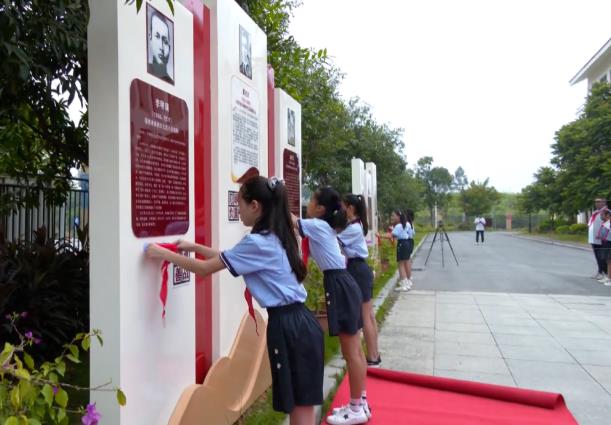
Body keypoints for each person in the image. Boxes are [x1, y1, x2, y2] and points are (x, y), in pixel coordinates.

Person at [145, 176, 323, 425]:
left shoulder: (257, 242)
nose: (237, 210)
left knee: (299, 405)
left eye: (239, 203)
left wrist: (162, 253)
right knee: (301, 402)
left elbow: (206, 269)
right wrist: (193, 247)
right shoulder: (275, 236)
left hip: (289, 327)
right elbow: (227, 258)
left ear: (255, 206)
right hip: (301, 323)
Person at [294, 187, 370, 425]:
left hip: (339, 284)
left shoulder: (316, 225)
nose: (307, 204)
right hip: (343, 283)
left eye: (311, 200)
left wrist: (276, 193)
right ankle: (361, 402)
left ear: (320, 208)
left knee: (351, 351)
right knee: (355, 349)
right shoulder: (324, 227)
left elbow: (290, 220)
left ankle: (356, 408)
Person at [338, 194, 380, 368]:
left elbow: (334, 241)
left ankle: (372, 357)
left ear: (350, 208)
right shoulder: (356, 225)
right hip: (359, 269)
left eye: (342, 207)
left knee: (365, 316)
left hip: (357, 270)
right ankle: (374, 354)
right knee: (369, 315)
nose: (340, 210)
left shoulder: (353, 229)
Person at [378, 210, 413, 292]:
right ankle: (408, 281)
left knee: (400, 264)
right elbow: (410, 233)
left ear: (398, 216)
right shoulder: (407, 224)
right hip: (408, 243)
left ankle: (404, 284)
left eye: (393, 215)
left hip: (402, 244)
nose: (392, 217)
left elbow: (390, 235)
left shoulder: (398, 226)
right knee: (406, 262)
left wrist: (380, 235)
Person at [147, 10, 173, 83]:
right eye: (157, 37)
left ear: (169, 47)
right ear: (150, 38)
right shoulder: (141, 70)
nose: (161, 47)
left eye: (165, 41)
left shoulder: (171, 82)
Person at [588, 198, 608, 281]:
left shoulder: (606, 212)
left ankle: (605, 273)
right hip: (594, 239)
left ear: (604, 202)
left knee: (603, 257)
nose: (596, 203)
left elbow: (607, 224)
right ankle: (600, 272)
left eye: (599, 202)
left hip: (602, 239)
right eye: (595, 202)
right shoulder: (595, 213)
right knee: (597, 256)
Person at [597, 208, 611, 286]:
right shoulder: (606, 223)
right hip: (606, 243)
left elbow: (604, 234)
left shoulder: (608, 223)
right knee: (608, 261)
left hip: (609, 243)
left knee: (609, 261)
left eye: (602, 215)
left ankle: (609, 279)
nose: (601, 216)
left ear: (608, 215)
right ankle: (608, 277)